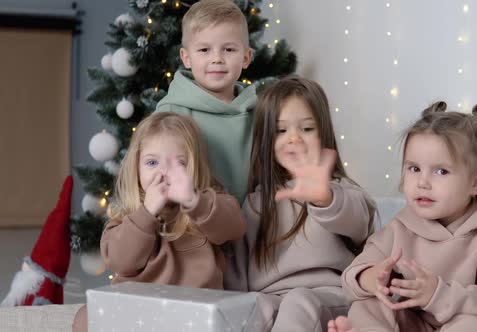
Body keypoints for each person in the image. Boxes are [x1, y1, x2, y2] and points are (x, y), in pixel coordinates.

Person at [328, 102, 477, 332]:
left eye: (441, 171)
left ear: (476, 183)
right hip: (419, 324)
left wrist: (438, 294)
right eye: (414, 168)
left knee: (475, 326)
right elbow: (354, 273)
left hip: (467, 321)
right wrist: (370, 278)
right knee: (370, 303)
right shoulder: (400, 227)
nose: (422, 182)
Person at [225, 76, 377, 332]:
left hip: (330, 299)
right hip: (273, 301)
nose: (294, 139)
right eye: (281, 131)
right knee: (252, 308)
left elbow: (359, 220)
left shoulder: (340, 191)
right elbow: (236, 276)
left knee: (298, 300)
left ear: (323, 133)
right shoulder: (254, 202)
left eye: (306, 129)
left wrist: (324, 197)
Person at [72, 112, 246, 331]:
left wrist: (194, 201)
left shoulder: (208, 203)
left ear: (194, 168)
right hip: (138, 312)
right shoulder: (126, 215)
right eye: (152, 162)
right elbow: (121, 261)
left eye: (178, 164)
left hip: (192, 314)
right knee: (85, 317)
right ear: (136, 169)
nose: (163, 173)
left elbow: (234, 227)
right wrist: (146, 213)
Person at [156, 0, 256, 203]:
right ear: (186, 58)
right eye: (204, 50)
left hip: (254, 225)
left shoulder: (260, 111)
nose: (217, 59)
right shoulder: (170, 113)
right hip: (195, 225)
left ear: (246, 57)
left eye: (228, 49)